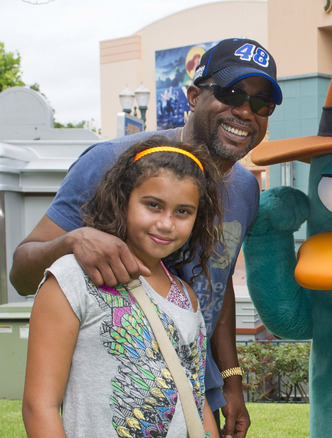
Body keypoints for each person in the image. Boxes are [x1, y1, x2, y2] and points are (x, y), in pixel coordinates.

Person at [10, 37, 283, 438]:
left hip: (192, 390)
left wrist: (231, 379)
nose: (245, 111)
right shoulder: (113, 162)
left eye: (262, 104)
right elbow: (20, 272)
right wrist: (73, 241)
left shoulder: (245, 189)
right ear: (193, 95)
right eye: (230, 92)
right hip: (110, 397)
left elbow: (217, 280)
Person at [22, 138, 223, 437]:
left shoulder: (185, 294)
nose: (166, 223)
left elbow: (194, 393)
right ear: (123, 199)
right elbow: (40, 406)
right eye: (153, 205)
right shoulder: (72, 279)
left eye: (183, 212)